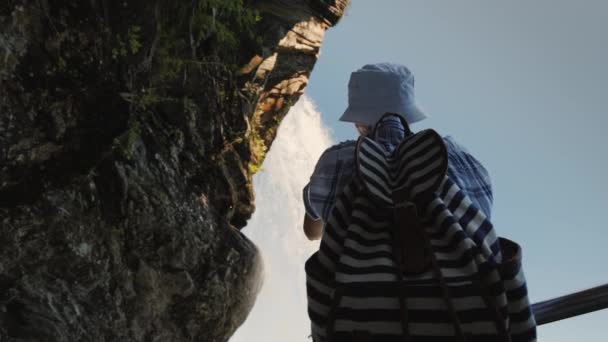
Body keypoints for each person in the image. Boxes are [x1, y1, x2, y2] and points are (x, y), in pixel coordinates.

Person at [302, 63, 493, 240]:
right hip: (464, 272)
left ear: (359, 123)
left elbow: (311, 232)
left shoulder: (336, 159)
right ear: (409, 115)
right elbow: (483, 218)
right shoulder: (459, 156)